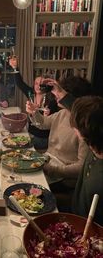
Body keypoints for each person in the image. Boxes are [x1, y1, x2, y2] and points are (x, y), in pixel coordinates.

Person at [45, 78, 103, 226]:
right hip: (73, 208)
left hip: (84, 229)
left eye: (75, 128)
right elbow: (80, 113)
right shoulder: (94, 147)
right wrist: (61, 92)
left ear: (83, 132)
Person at [26, 76, 91, 205]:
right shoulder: (63, 113)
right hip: (48, 162)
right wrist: (34, 112)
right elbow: (43, 123)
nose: (56, 95)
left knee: (28, 190)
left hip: (63, 176)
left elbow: (81, 167)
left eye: (60, 92)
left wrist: (53, 169)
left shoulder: (84, 126)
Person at [9, 56, 58, 150]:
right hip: (30, 133)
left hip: (42, 138)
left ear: (46, 85)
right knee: (12, 138)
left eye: (41, 84)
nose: (38, 86)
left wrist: (44, 115)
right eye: (36, 83)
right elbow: (19, 83)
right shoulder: (31, 93)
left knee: (16, 145)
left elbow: (49, 123)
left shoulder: (51, 99)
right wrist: (15, 67)